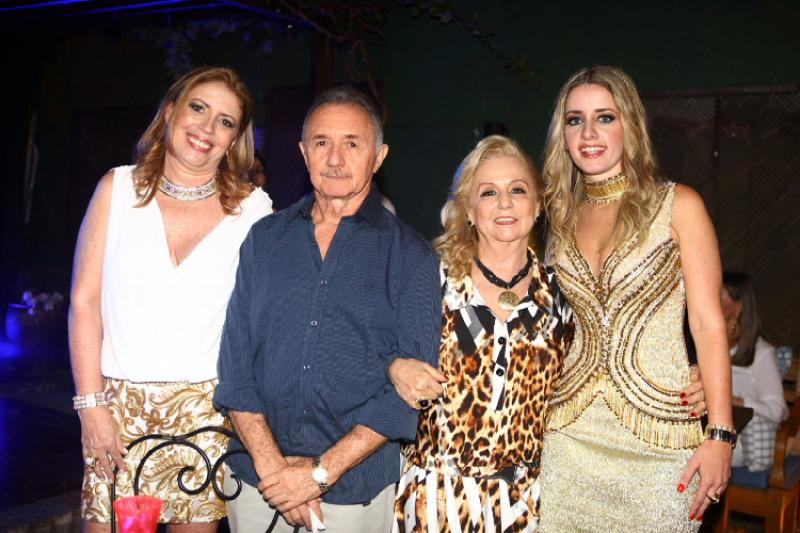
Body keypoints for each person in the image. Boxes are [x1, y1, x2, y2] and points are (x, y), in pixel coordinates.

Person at [212, 86, 441, 533]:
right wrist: (274, 469)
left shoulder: (412, 257)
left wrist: (317, 474)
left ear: (378, 156)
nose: (335, 159)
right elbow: (235, 367)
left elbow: (410, 394)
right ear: (304, 152)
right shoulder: (264, 240)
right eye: (322, 142)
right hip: (257, 484)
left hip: (353, 493)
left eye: (352, 144)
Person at [70, 66, 272, 530]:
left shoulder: (253, 210)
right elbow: (84, 301)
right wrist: (91, 407)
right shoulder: (117, 189)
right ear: (169, 112)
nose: (207, 127)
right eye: (198, 108)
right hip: (118, 414)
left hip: (206, 415)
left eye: (225, 121)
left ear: (234, 140)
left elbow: (268, 318)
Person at [538, 65, 733, 532]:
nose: (588, 133)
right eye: (575, 120)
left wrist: (721, 433)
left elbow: (709, 324)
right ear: (563, 134)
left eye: (605, 117)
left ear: (630, 124)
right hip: (568, 439)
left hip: (661, 444)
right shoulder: (558, 219)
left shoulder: (679, 205)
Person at [391, 135, 574, 531]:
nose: (505, 203)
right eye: (489, 192)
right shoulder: (429, 280)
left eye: (518, 190)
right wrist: (393, 366)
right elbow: (366, 345)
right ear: (468, 210)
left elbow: (604, 369)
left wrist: (692, 379)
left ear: (537, 205)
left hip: (527, 507)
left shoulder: (565, 296)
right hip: (435, 503)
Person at [722, 271, 788, 479]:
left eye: (718, 297)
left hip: (740, 443)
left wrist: (737, 401)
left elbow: (778, 410)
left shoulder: (762, 353)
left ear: (739, 307)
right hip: (712, 434)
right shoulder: (707, 347)